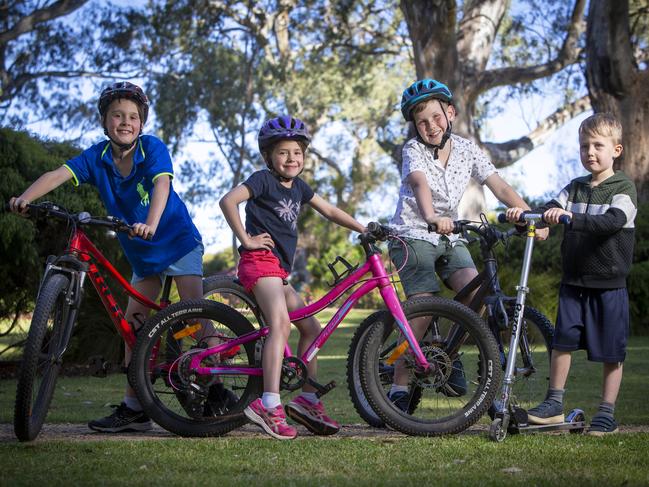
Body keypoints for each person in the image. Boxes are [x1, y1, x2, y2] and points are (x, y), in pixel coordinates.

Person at [9, 81, 207, 433]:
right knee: (134, 329)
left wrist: (150, 222)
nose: (125, 121)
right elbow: (58, 174)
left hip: (176, 239)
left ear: (142, 124)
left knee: (195, 314)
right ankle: (135, 409)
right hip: (143, 253)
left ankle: (217, 381)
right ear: (105, 122)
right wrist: (25, 197)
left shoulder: (152, 148)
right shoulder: (96, 158)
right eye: (117, 115)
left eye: (133, 116)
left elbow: (162, 185)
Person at [387, 78, 548, 410]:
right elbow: (419, 183)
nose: (430, 126)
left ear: (450, 113)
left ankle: (449, 351)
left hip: (450, 235)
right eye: (421, 122)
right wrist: (431, 215)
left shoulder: (467, 149)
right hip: (413, 234)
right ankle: (399, 382)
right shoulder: (413, 150)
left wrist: (531, 217)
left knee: (477, 294)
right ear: (414, 127)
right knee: (423, 303)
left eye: (435, 117)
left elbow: (499, 185)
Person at [219, 115, 365, 440]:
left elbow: (329, 211)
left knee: (311, 327)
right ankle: (268, 405)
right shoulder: (261, 180)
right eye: (283, 153)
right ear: (269, 157)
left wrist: (364, 228)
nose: (291, 159)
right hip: (259, 261)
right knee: (281, 324)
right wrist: (246, 239)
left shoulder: (299, 187)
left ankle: (307, 399)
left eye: (297, 153)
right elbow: (228, 201)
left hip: (279, 272)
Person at [506, 112, 637, 436]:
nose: (589, 152)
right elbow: (548, 211)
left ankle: (606, 412)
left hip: (608, 285)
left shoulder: (623, 188)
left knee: (611, 351)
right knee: (562, 344)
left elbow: (612, 223)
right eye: (584, 146)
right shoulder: (574, 188)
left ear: (615, 150)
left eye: (597, 146)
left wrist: (569, 218)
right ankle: (553, 404)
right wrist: (523, 216)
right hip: (574, 283)